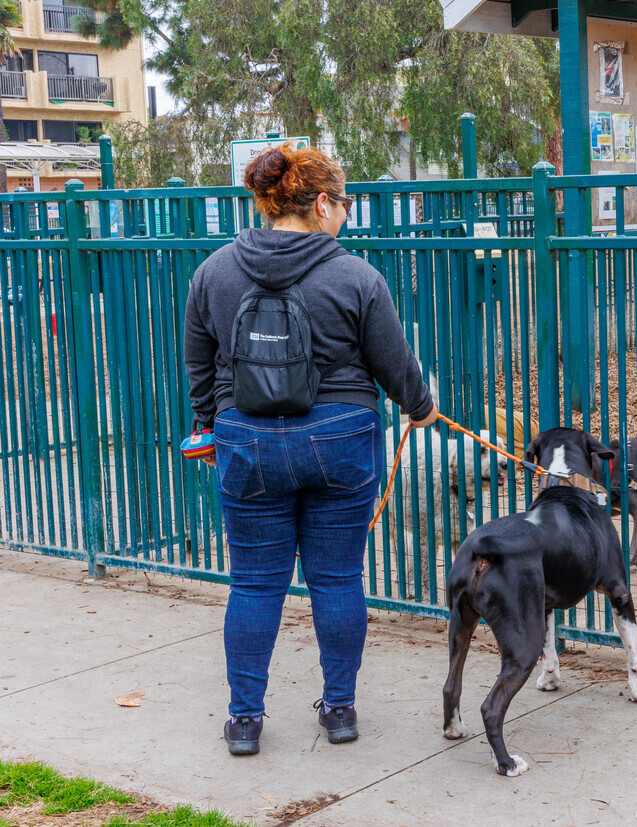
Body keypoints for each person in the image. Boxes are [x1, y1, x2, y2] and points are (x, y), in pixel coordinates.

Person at [183, 143, 437, 756]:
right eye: (343, 202)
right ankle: (341, 710)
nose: (345, 214)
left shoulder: (213, 271)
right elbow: (393, 362)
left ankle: (245, 720)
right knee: (337, 579)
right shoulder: (356, 275)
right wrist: (420, 405)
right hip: (342, 440)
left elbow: (198, 358)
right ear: (321, 203)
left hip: (246, 440)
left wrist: (207, 425)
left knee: (254, 586)